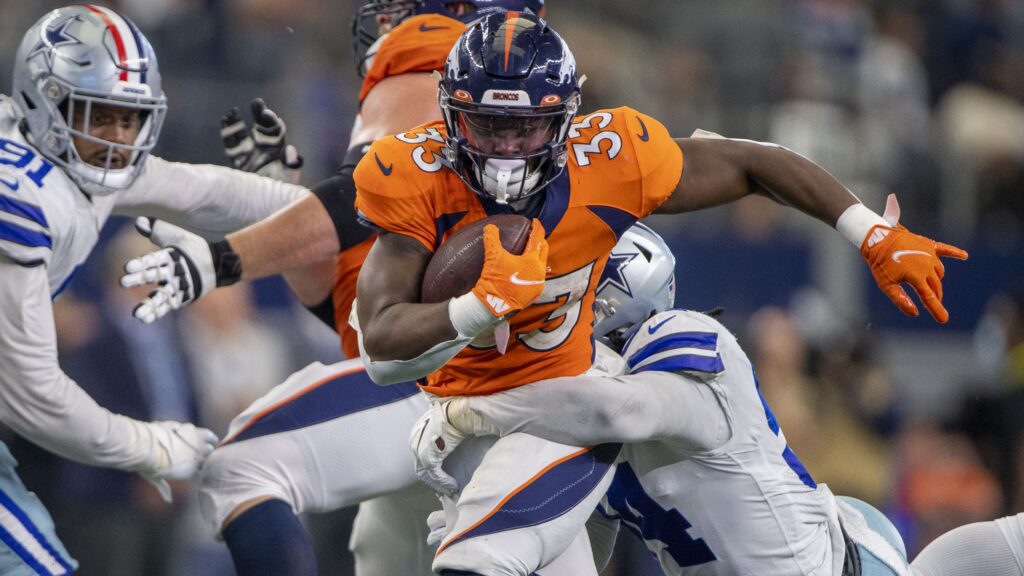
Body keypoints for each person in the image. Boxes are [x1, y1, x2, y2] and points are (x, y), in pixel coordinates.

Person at [345, 11, 966, 576]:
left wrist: (466, 413)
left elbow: (614, 409)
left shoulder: (684, 355)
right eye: (487, 124)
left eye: (527, 129)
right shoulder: (592, 426)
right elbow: (590, 492)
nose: (507, 147)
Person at [116, 2, 547, 576]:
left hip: (452, 382)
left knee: (243, 467)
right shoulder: (517, 112)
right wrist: (286, 198)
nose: (389, 19)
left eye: (403, 6)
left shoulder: (440, 55)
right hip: (472, 383)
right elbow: (347, 308)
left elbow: (351, 203)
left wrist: (218, 261)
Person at [0, 5, 312, 573]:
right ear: (42, 100)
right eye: (98, 115)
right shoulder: (22, 195)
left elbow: (198, 189)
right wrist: (155, 447)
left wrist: (325, 210)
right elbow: (35, 398)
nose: (117, 137)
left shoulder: (67, 159)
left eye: (129, 118)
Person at [413, 223, 913, 575]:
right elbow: (582, 542)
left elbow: (619, 409)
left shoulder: (679, 338)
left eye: (561, 299)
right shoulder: (582, 407)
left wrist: (469, 413)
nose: (540, 322)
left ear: (610, 302)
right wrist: (493, 522)